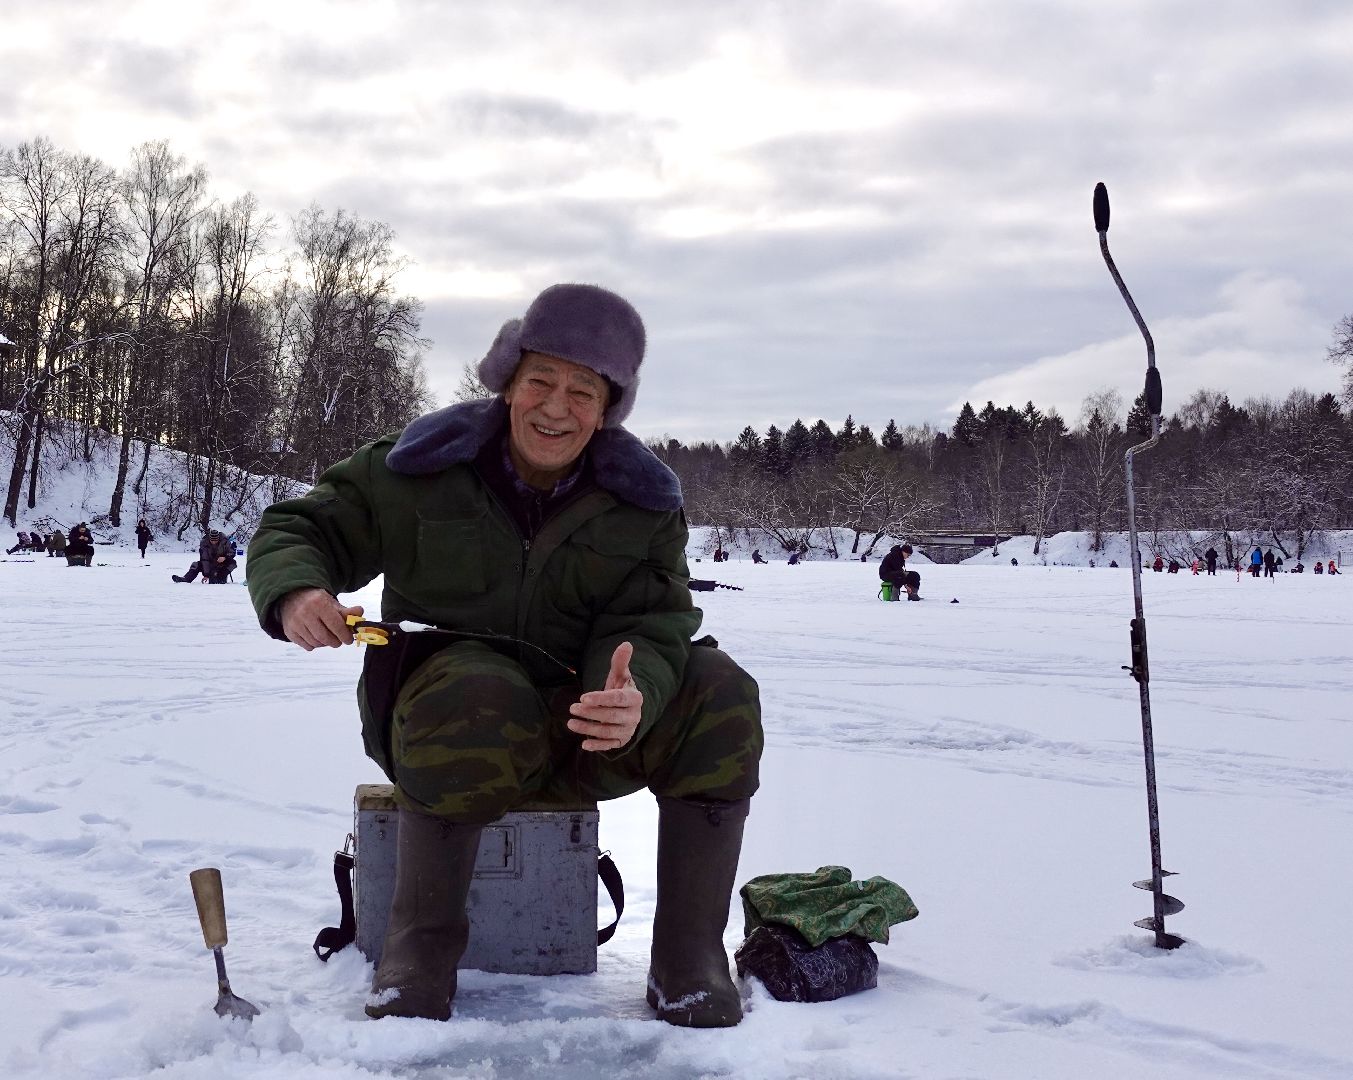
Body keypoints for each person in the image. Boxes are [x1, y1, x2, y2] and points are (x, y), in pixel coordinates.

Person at [245, 283, 762, 1028]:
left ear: (606, 409)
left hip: (584, 734)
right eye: (540, 382)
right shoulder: (414, 467)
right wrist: (297, 592)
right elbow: (300, 528)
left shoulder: (644, 503)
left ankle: (688, 960)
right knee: (478, 689)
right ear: (507, 383)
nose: (557, 408)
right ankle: (418, 952)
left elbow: (653, 620)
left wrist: (634, 697)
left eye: (582, 392)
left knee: (719, 689)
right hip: (449, 728)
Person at [173, 528, 237, 583]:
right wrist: (206, 575)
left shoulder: (225, 542)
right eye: (212, 540)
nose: (214, 542)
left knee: (233, 563)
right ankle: (186, 579)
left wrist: (225, 557)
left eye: (216, 540)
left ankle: (220, 578)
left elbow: (232, 552)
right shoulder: (204, 543)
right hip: (210, 563)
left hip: (222, 564)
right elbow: (204, 559)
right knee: (196, 564)